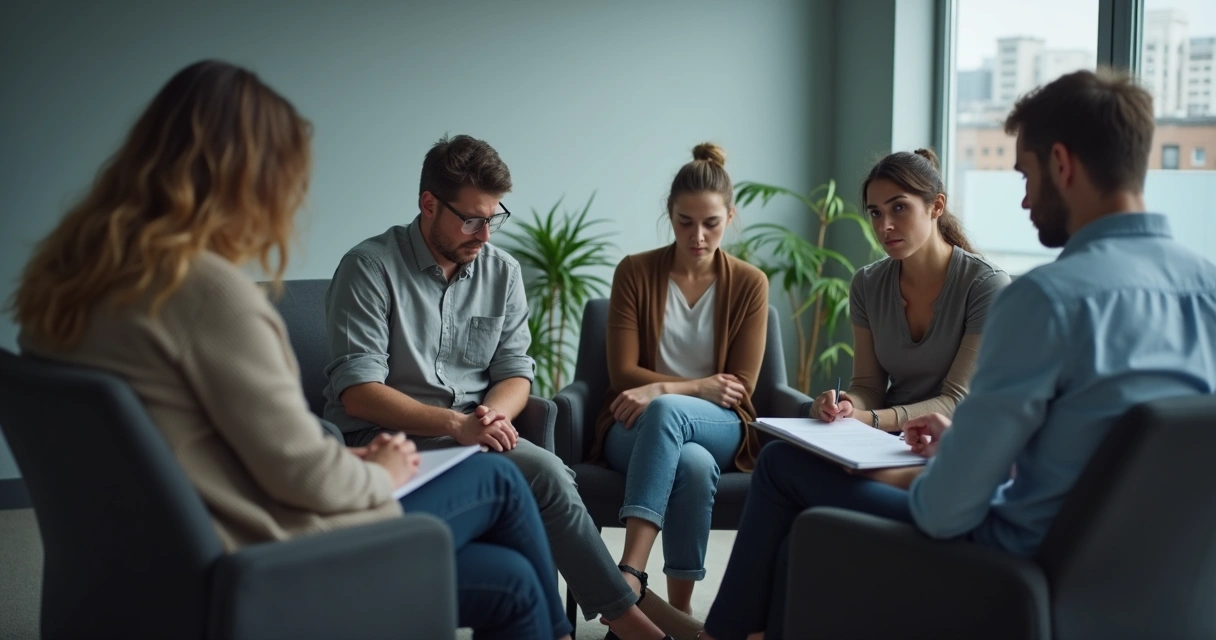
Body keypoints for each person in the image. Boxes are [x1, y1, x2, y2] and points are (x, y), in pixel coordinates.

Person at [11, 61, 573, 640]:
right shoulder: (207, 294)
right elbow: (302, 475)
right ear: (246, 180)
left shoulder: (65, 284)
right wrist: (379, 470)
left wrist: (349, 460)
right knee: (501, 483)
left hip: (149, 565)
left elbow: (201, 443)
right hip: (255, 562)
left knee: (510, 579)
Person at [700, 68, 1216, 640]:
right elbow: (1113, 443)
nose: (1023, 198)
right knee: (801, 539)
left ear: (1063, 165)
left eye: (1026, 174)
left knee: (781, 467)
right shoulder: (1208, 289)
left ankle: (720, 633)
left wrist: (954, 458)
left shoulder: (1045, 299)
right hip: (1150, 579)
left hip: (1017, 560)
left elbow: (945, 512)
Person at [323, 135, 684, 640]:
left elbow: (516, 372)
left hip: (472, 436)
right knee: (541, 475)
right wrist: (457, 423)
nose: (485, 234)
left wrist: (490, 416)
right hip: (386, 440)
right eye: (472, 219)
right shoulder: (369, 267)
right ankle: (625, 622)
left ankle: (587, 623)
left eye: (494, 217)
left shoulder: (502, 272)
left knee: (545, 471)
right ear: (428, 204)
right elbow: (359, 392)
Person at [584, 142, 768, 619]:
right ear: (670, 215)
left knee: (669, 412)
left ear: (730, 215)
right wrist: (696, 385)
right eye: (685, 222)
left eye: (711, 223)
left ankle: (629, 574)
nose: (699, 236)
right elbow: (624, 373)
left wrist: (667, 389)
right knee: (691, 464)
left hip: (721, 423)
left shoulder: (750, 283)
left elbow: (740, 384)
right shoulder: (635, 271)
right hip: (633, 424)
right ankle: (680, 617)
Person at [811, 149, 1010, 433]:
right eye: (875, 213)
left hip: (955, 442)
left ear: (937, 206)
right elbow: (868, 386)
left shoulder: (986, 285)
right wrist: (846, 406)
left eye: (899, 208)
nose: (884, 226)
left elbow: (956, 402)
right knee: (777, 457)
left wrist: (871, 420)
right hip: (886, 439)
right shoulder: (867, 284)